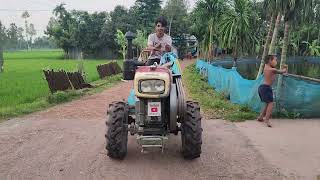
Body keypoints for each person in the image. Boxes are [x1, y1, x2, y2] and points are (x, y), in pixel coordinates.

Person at [257, 55, 288, 127]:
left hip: (262, 88)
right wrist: (285, 68)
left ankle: (261, 117)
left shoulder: (266, 67)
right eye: (275, 60)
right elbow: (282, 72)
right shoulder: (272, 70)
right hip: (266, 88)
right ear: (270, 61)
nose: (276, 62)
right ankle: (267, 120)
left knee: (266, 103)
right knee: (271, 103)